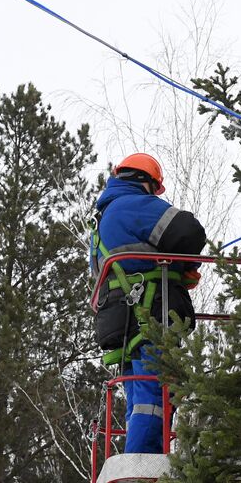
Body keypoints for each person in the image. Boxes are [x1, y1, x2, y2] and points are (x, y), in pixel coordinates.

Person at [90, 153, 207, 454]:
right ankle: (142, 469)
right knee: (154, 396)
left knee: (142, 397)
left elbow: (135, 261)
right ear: (145, 182)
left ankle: (140, 462)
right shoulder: (132, 205)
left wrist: (178, 270)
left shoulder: (105, 221)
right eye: (155, 191)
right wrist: (185, 265)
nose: (155, 197)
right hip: (149, 314)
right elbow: (188, 232)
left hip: (128, 320)